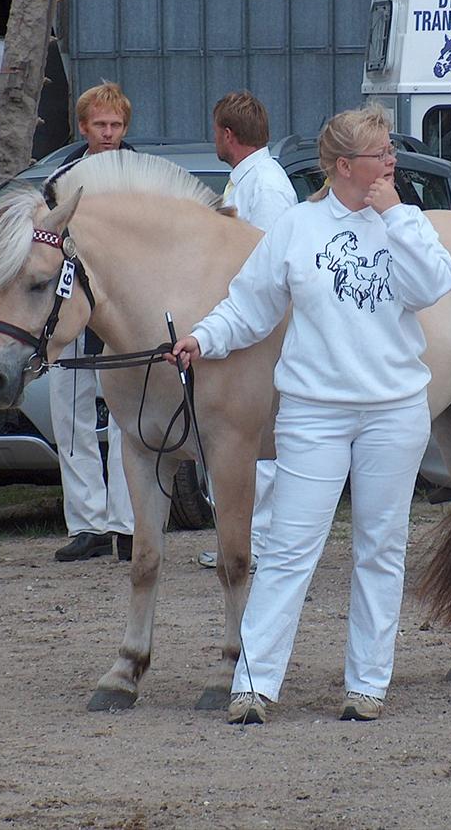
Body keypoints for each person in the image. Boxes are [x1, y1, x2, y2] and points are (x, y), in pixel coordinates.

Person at [169, 105, 451, 724]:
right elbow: (249, 305)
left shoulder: (405, 221)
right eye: (382, 152)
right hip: (313, 410)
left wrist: (396, 213)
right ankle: (254, 683)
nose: (393, 160)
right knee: (290, 547)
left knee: (381, 547)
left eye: (391, 152)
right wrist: (204, 338)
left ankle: (368, 685)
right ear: (347, 165)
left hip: (394, 409)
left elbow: (435, 283)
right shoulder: (298, 227)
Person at [196, 90, 297, 572]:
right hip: (246, 319)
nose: (214, 138)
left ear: (228, 135)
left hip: (266, 325)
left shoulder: (268, 186)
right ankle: (242, 537)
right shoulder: (246, 180)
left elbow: (270, 258)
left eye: (216, 131)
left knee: (263, 441)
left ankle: (260, 541)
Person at [50, 82, 137, 562]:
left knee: (126, 418)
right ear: (84, 127)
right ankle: (88, 523)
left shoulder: (138, 174)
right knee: (72, 415)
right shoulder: (62, 179)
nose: (108, 133)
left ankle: (127, 523)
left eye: (116, 125)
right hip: (74, 312)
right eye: (100, 125)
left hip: (124, 313)